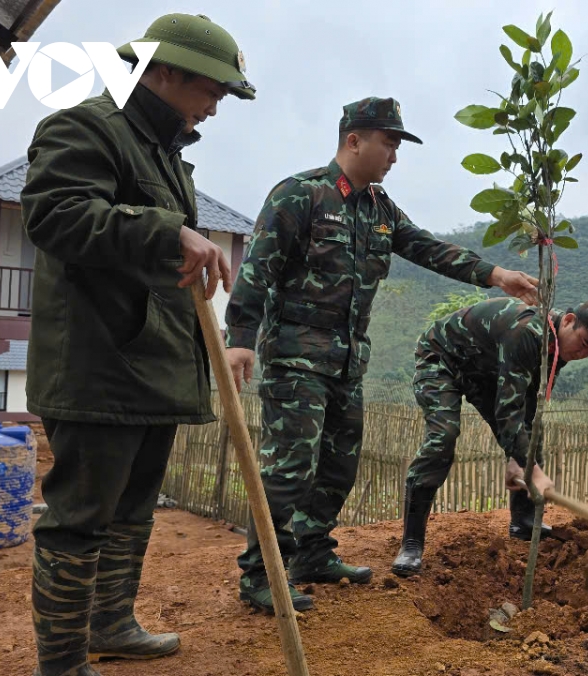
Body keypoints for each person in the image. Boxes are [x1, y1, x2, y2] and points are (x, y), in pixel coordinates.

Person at [224, 97, 540, 612]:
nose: (394, 155)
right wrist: (240, 337)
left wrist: (496, 275)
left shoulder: (379, 208)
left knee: (338, 467)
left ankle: (311, 553)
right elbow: (258, 267)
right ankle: (261, 574)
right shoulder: (299, 195)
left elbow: (428, 248)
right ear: (355, 140)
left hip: (348, 362)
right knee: (289, 470)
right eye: (389, 143)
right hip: (295, 358)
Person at [19, 13, 254, 676]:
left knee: (132, 511)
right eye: (212, 88)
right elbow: (55, 215)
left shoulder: (165, 155)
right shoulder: (87, 127)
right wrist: (167, 230)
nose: (217, 105)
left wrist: (211, 351)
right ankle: (62, 663)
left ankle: (113, 622)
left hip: (152, 368)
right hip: (97, 367)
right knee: (80, 519)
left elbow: (168, 279)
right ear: (167, 70)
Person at [391, 298, 588, 576]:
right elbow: (508, 410)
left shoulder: (556, 348)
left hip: (486, 368)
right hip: (443, 358)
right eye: (585, 342)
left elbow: (525, 403)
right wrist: (533, 472)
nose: (583, 353)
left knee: (531, 437)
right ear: (568, 321)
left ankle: (523, 522)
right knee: (443, 435)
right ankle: (412, 543)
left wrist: (520, 461)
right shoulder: (527, 333)